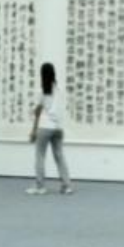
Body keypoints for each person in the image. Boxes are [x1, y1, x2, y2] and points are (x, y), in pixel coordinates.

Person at [28, 63, 73, 196]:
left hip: (44, 126)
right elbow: (61, 109)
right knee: (59, 156)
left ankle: (40, 187)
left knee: (40, 156)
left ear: (42, 75)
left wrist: (33, 130)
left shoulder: (41, 91)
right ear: (54, 73)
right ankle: (66, 186)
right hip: (58, 128)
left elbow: (38, 112)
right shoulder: (60, 90)